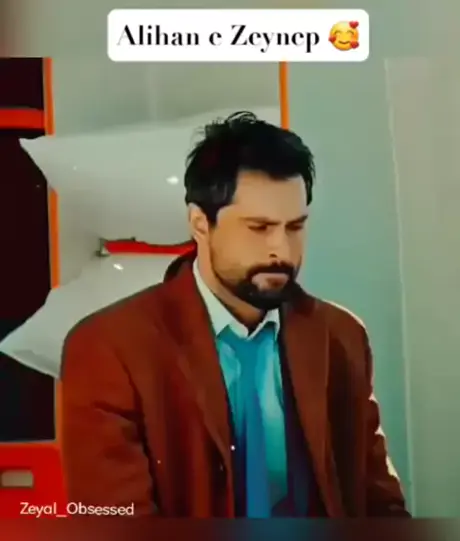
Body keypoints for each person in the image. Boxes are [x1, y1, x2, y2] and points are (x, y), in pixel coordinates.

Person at [60, 111, 409, 517]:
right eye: (259, 228)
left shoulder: (341, 337)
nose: (281, 250)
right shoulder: (110, 349)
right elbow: (118, 533)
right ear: (200, 223)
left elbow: (381, 505)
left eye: (295, 227)